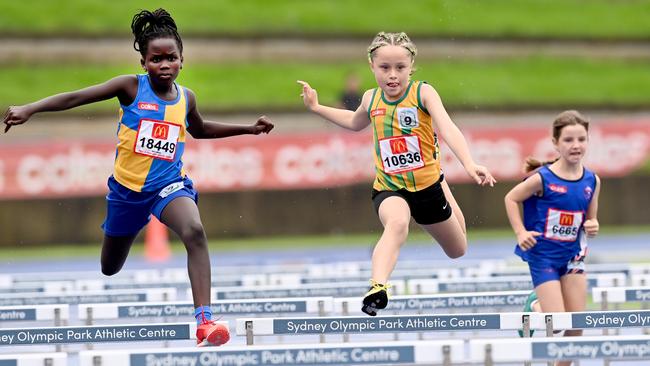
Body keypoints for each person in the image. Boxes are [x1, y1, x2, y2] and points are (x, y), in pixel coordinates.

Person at [2, 8, 273, 347]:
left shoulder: (186, 98)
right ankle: (132, 228)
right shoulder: (129, 87)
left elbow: (200, 129)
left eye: (171, 58)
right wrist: (31, 108)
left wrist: (248, 129)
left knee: (195, 231)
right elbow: (77, 97)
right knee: (110, 267)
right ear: (143, 62)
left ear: (182, 60)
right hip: (127, 193)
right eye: (156, 59)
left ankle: (204, 321)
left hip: (168, 187)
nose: (164, 65)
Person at [298, 32, 495, 316]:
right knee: (397, 224)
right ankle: (378, 286)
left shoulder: (423, 93)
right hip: (389, 188)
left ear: (411, 66)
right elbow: (355, 122)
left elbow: (448, 128)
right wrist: (316, 108)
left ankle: (442, 182)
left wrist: (469, 163)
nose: (392, 76)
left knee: (458, 249)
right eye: (385, 68)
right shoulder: (370, 98)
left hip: (428, 188)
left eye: (400, 68)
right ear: (371, 66)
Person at [504, 110, 600, 365]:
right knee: (556, 323)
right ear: (556, 143)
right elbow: (511, 198)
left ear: (588, 141)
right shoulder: (542, 179)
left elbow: (590, 218)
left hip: (573, 255)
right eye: (568, 140)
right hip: (543, 255)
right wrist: (521, 232)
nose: (576, 145)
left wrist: (593, 224)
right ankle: (535, 304)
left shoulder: (592, 180)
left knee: (576, 327)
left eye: (581, 139)